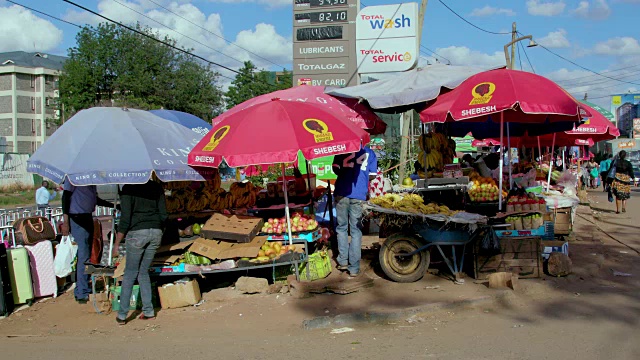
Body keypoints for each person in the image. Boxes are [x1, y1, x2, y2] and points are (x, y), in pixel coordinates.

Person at [113, 179, 167, 324]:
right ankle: (148, 311)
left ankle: (122, 315)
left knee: (130, 273)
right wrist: (159, 230)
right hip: (155, 231)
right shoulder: (156, 187)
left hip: (137, 233)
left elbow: (125, 219)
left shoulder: (128, 188)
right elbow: (163, 215)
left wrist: (116, 243)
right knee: (143, 272)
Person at [60, 181, 115, 304]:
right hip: (77, 218)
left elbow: (94, 199)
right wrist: (66, 221)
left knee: (89, 254)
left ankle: (83, 287)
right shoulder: (73, 178)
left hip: (87, 216)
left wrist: (113, 205)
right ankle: (81, 292)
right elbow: (65, 197)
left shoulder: (91, 181)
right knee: (83, 255)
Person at [332, 146, 377, 278]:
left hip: (341, 192)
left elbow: (335, 168)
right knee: (356, 230)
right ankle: (354, 268)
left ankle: (343, 261)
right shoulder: (369, 152)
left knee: (341, 227)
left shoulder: (341, 148)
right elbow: (372, 175)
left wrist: (346, 173)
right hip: (359, 194)